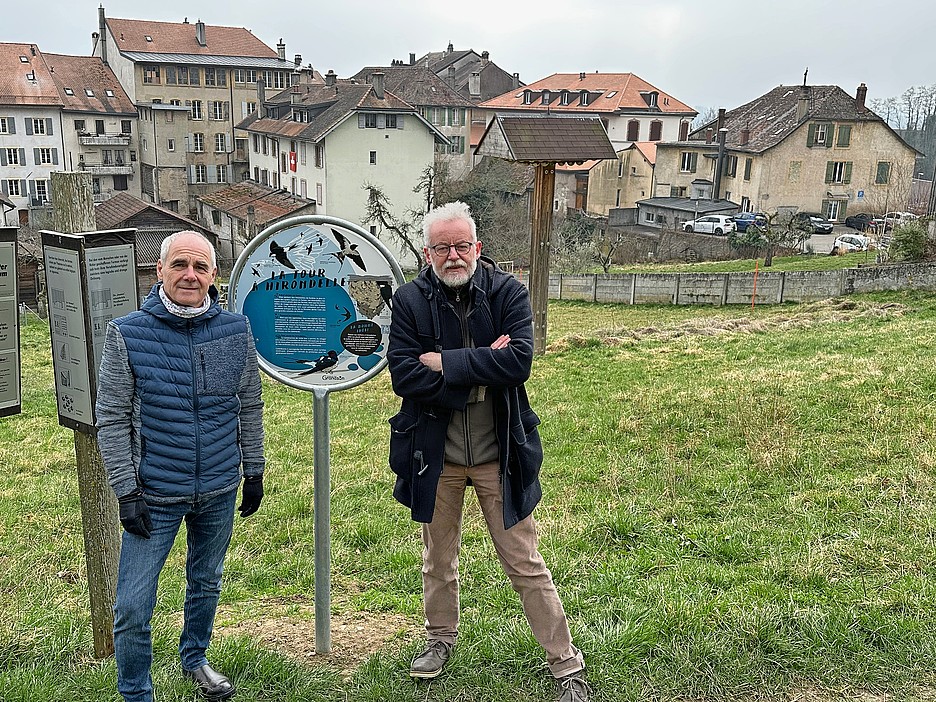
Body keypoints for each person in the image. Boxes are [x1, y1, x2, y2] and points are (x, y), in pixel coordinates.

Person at [386, 202, 589, 702]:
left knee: (524, 561)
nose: (453, 256)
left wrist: (445, 365)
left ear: (477, 247)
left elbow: (519, 362)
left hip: (502, 454)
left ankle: (566, 665)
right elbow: (404, 375)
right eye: (442, 248)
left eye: (461, 246)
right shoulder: (410, 301)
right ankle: (439, 639)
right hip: (438, 455)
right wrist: (480, 370)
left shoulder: (508, 293)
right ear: (427, 252)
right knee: (438, 558)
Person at [96, 230, 265, 702]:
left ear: (214, 276)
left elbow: (248, 403)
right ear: (160, 271)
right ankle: (135, 692)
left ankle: (195, 658)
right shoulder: (128, 333)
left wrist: (254, 469)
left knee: (206, 580)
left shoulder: (234, 330)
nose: (190, 275)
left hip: (217, 486)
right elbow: (110, 417)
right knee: (132, 606)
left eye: (201, 267)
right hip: (154, 493)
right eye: (180, 265)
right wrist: (126, 491)